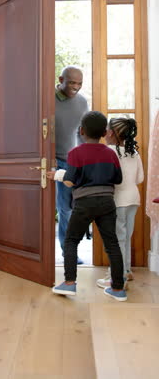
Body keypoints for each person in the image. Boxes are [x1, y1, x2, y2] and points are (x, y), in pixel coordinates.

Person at [47, 111, 127, 301]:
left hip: (84, 203)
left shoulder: (75, 153)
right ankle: (117, 289)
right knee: (112, 244)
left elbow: (69, 181)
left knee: (71, 240)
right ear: (104, 132)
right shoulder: (110, 153)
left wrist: (61, 175)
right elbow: (118, 179)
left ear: (81, 131)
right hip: (107, 202)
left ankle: (69, 283)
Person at [97, 117, 144, 289]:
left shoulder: (108, 150)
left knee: (116, 240)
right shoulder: (134, 153)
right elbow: (140, 178)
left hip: (118, 200)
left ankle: (116, 277)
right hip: (134, 199)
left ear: (109, 133)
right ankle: (126, 271)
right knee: (125, 237)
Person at [55, 66, 88, 264]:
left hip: (69, 162)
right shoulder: (47, 98)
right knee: (41, 207)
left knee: (67, 208)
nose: (75, 87)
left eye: (79, 83)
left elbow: (81, 132)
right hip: (46, 161)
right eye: (71, 82)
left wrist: (85, 158)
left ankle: (69, 253)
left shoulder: (83, 102)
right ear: (61, 79)